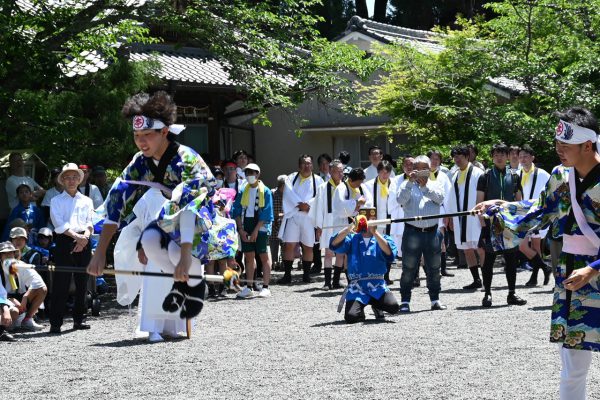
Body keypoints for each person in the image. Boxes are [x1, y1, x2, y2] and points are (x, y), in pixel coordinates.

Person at [476, 106, 600, 400]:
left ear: (587, 144)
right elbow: (541, 210)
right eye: (557, 143)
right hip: (570, 273)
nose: (559, 150)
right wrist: (499, 207)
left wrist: (594, 268)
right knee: (572, 362)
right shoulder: (560, 176)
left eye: (565, 145)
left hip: (592, 270)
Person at [87, 91, 237, 323]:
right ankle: (165, 304)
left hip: (196, 223)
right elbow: (117, 201)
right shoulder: (139, 162)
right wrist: (98, 254)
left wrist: (186, 258)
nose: (141, 141)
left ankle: (191, 281)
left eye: (147, 134)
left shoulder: (186, 160)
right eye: (137, 135)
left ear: (164, 132)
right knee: (143, 240)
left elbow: (190, 208)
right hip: (160, 221)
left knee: (172, 241)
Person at [476, 143, 527, 307]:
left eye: (502, 154)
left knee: (511, 260)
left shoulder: (514, 176)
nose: (499, 157)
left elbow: (520, 201)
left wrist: (520, 223)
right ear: (492, 157)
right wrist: (483, 226)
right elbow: (479, 203)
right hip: (491, 224)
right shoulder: (485, 176)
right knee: (489, 260)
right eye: (496, 154)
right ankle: (487, 293)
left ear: (507, 157)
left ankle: (512, 293)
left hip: (510, 224)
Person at [330, 210, 400, 323]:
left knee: (394, 307)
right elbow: (333, 244)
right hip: (357, 287)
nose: (367, 223)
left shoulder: (384, 238)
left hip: (378, 286)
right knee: (351, 317)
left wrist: (375, 233)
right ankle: (360, 309)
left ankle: (377, 306)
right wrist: (350, 227)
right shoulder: (352, 239)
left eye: (371, 219)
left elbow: (390, 255)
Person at [397, 155, 447, 312]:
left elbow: (440, 199)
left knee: (434, 267)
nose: (421, 171)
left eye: (424, 168)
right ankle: (405, 301)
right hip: (412, 231)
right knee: (408, 267)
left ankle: (435, 299)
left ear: (429, 169)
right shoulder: (406, 184)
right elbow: (400, 200)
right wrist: (411, 183)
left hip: (432, 232)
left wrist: (425, 187)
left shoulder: (436, 184)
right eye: (417, 168)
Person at [49, 163, 94, 334]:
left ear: (79, 179)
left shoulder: (87, 200)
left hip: (84, 239)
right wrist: (77, 238)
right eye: (67, 177)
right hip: (65, 240)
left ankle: (79, 319)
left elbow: (90, 222)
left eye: (74, 177)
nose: (71, 180)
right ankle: (55, 322)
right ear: (62, 180)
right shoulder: (56, 200)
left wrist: (85, 238)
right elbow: (58, 224)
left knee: (83, 281)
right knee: (62, 282)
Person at [278, 154, 324, 284]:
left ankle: (306, 275)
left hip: (309, 216)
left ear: (312, 165)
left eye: (309, 163)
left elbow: (320, 197)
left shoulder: (318, 180)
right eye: (304, 163)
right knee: (289, 244)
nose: (307, 166)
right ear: (299, 166)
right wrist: (300, 204)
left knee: (308, 246)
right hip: (293, 214)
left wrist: (308, 205)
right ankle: (287, 275)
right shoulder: (291, 178)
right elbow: (288, 194)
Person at [445, 145, 485, 290]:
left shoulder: (478, 173)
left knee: (480, 247)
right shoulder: (454, 175)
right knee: (466, 248)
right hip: (460, 217)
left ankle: (486, 277)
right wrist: (449, 216)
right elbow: (450, 197)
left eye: (460, 157)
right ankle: (476, 279)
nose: (457, 160)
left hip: (475, 217)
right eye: (455, 157)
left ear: (467, 157)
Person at [232, 163, 273, 298]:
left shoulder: (265, 191)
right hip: (246, 224)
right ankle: (249, 286)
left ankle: (266, 287)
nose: (250, 175)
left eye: (252, 172)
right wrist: (241, 229)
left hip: (260, 226)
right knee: (248, 256)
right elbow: (236, 210)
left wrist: (256, 230)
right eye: (247, 173)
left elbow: (266, 212)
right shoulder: (243, 190)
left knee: (263, 256)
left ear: (258, 174)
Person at [517, 145, 552, 286]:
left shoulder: (543, 174)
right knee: (522, 245)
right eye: (520, 156)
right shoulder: (517, 173)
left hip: (538, 215)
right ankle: (544, 267)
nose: (522, 159)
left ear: (532, 157)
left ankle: (535, 275)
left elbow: (551, 191)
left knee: (536, 246)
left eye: (525, 156)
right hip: (523, 215)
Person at [0, 240, 46, 331]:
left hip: (21, 299)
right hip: (3, 301)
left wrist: (26, 296)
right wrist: (9, 301)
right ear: (0, 256)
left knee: (42, 289)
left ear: (14, 255)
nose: (9, 256)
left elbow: (38, 282)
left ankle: (27, 319)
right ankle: (8, 326)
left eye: (11, 254)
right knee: (13, 312)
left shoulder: (21, 265)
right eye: (5, 254)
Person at [313, 159, 345, 290]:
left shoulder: (345, 186)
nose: (340, 174)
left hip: (342, 222)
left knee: (341, 252)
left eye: (342, 171)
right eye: (338, 171)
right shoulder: (323, 187)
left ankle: (336, 281)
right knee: (328, 252)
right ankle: (327, 282)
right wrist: (318, 226)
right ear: (331, 172)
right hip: (327, 222)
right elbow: (318, 207)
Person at [364, 160, 394, 284]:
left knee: (388, 247)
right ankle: (374, 274)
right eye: (382, 172)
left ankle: (386, 275)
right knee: (373, 248)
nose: (384, 175)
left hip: (389, 221)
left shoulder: (394, 184)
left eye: (387, 172)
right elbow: (366, 203)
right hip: (374, 221)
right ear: (378, 172)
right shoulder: (369, 185)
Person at [428, 149, 454, 277]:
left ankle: (443, 268)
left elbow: (449, 196)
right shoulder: (422, 174)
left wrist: (448, 214)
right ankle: (428, 269)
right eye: (432, 158)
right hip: (425, 210)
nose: (434, 161)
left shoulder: (443, 176)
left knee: (441, 240)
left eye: (437, 159)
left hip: (440, 210)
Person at [388, 155, 414, 254]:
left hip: (416, 213)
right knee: (401, 243)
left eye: (411, 164)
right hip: (400, 212)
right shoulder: (396, 180)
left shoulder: (421, 179)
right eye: (406, 164)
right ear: (403, 166)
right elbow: (393, 197)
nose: (409, 167)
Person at [269, 175, 286, 271]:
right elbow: (269, 208)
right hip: (274, 222)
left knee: (285, 244)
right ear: (281, 185)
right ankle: (274, 262)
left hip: (284, 223)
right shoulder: (272, 193)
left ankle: (285, 262)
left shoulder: (289, 195)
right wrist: (277, 215)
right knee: (273, 243)